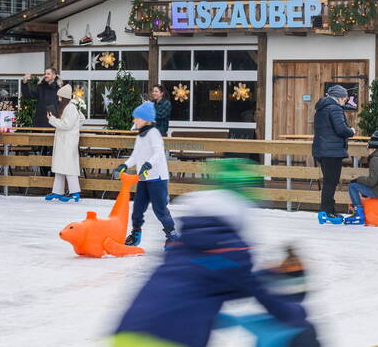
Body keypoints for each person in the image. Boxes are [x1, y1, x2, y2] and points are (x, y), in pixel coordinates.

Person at [112, 159, 317, 347]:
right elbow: (256, 292)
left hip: (127, 333)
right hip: (171, 338)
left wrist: (267, 275)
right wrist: (298, 317)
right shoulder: (231, 247)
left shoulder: (184, 244)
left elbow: (214, 279)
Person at [115, 101, 175, 247]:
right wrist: (125, 165)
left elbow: (159, 153)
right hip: (144, 177)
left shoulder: (154, 133)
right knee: (138, 208)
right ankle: (135, 235)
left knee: (160, 209)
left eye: (137, 117)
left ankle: (172, 235)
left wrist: (148, 164)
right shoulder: (140, 136)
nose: (135, 120)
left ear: (146, 119)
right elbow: (135, 156)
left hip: (158, 178)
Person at [312, 85, 355, 225]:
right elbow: (341, 129)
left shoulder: (321, 109)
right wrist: (352, 131)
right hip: (332, 152)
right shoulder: (335, 108)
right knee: (331, 182)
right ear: (339, 97)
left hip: (322, 150)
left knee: (328, 182)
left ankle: (328, 210)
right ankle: (326, 211)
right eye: (345, 98)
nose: (346, 101)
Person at [344, 131, 378, 225]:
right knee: (361, 185)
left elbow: (372, 181)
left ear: (373, 149)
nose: (368, 151)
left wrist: (357, 179)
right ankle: (362, 209)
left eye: (368, 149)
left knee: (352, 186)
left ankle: (358, 214)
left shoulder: (375, 159)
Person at [45, 84, 86, 203]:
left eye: (60, 97)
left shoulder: (70, 108)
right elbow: (81, 119)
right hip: (65, 141)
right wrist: (75, 128)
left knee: (68, 167)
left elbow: (66, 125)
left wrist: (52, 119)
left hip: (68, 142)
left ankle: (74, 192)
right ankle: (58, 191)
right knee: (60, 166)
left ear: (64, 98)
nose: (58, 99)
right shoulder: (68, 107)